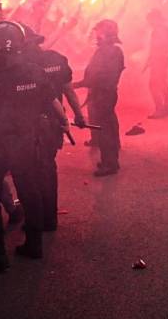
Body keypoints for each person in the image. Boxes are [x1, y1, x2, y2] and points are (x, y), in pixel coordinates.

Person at [0, 21, 52, 263]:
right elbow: (46, 103)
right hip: (24, 142)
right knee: (30, 191)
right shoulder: (35, 73)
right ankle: (34, 245)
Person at [23, 26, 85, 232]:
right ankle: (49, 219)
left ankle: (38, 219)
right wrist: (78, 114)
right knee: (47, 169)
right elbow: (68, 91)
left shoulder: (22, 66)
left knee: (31, 172)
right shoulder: (56, 59)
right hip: (53, 123)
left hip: (31, 126)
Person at [73, 20, 125, 176]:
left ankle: (110, 164)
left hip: (102, 94)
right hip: (106, 93)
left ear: (105, 33)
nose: (96, 34)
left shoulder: (107, 52)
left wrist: (75, 85)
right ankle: (111, 159)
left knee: (104, 130)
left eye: (98, 31)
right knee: (108, 126)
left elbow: (97, 77)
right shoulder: (113, 51)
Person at [144, 9, 168, 119]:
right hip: (161, 60)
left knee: (154, 85)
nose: (149, 23)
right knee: (162, 84)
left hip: (159, 60)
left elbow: (159, 47)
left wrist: (153, 59)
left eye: (150, 20)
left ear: (155, 19)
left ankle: (160, 109)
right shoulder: (164, 29)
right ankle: (167, 108)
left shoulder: (160, 30)